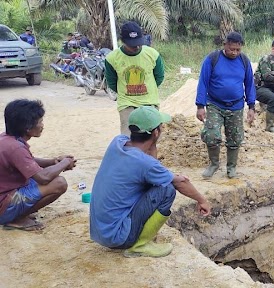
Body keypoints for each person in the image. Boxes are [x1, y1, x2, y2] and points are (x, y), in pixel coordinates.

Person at [90, 106, 212, 258]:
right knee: (167, 189)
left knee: (156, 182)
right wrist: (202, 200)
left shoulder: (117, 142)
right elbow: (180, 183)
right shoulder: (144, 163)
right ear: (155, 132)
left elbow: (152, 168)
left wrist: (153, 146)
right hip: (119, 238)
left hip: (100, 232)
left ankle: (135, 237)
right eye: (161, 127)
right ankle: (140, 246)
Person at [0, 99, 76, 231]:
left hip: (6, 194)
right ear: (28, 128)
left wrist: (53, 161)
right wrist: (65, 162)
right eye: (40, 121)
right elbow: (43, 177)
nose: (42, 125)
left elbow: (29, 161)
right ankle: (16, 219)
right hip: (4, 204)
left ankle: (18, 212)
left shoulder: (7, 138)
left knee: (46, 178)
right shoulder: (15, 148)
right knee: (59, 183)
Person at [196, 31, 256, 179]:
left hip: (236, 106)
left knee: (235, 137)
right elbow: (203, 82)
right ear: (225, 45)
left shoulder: (244, 61)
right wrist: (200, 106)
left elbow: (249, 84)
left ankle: (231, 167)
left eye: (238, 50)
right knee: (211, 135)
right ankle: (214, 164)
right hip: (215, 104)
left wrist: (252, 106)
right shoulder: (212, 59)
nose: (235, 52)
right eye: (232, 49)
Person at [105, 21, 165, 136]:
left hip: (150, 102)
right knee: (128, 138)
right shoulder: (112, 59)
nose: (136, 47)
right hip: (127, 104)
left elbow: (159, 76)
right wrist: (128, 92)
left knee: (151, 137)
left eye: (139, 43)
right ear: (123, 41)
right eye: (132, 44)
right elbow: (112, 82)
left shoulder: (153, 55)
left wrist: (147, 89)